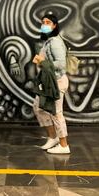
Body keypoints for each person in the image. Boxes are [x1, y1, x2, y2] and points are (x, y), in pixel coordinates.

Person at [32, 14, 70, 154]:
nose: (45, 24)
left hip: (57, 82)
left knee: (56, 113)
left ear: (54, 25)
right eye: (43, 22)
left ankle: (64, 145)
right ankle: (52, 137)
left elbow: (61, 64)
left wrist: (42, 62)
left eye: (48, 22)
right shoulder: (49, 41)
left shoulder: (55, 42)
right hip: (49, 82)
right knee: (39, 108)